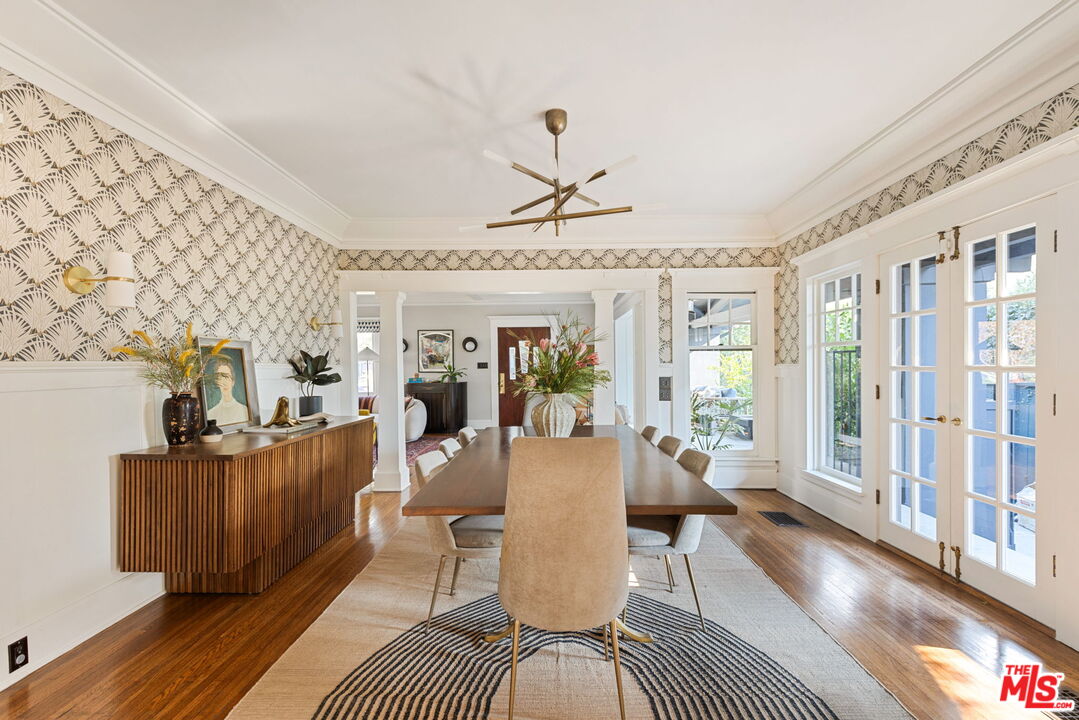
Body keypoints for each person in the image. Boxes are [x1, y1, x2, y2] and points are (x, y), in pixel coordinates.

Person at [207, 355, 249, 426]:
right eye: (220, 377)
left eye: (227, 377)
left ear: (233, 381)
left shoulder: (244, 411)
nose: (224, 382)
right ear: (217, 382)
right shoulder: (210, 414)